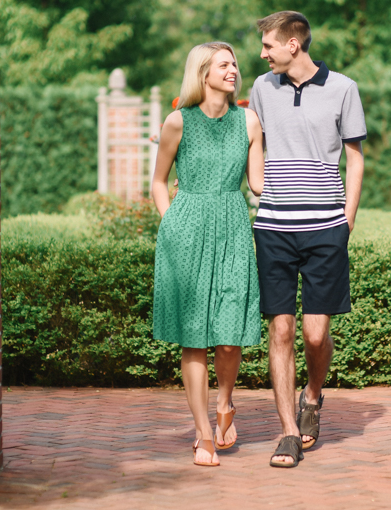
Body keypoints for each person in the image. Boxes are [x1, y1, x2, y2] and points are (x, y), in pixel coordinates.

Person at [249, 11, 366, 468]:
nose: (262, 54)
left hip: (325, 228)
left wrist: (347, 220)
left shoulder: (343, 88)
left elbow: (354, 159)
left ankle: (313, 397)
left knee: (316, 335)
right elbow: (249, 140)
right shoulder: (261, 88)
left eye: (268, 46)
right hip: (274, 226)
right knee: (280, 329)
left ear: (293, 44)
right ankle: (288, 433)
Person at [151, 42, 264, 467]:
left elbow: (258, 184)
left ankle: (225, 403)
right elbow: (159, 181)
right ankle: (202, 435)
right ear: (202, 73)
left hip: (234, 229)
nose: (234, 69)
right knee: (194, 338)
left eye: (235, 63)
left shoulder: (248, 121)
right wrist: (171, 224)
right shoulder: (178, 121)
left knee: (230, 338)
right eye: (224, 64)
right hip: (186, 232)